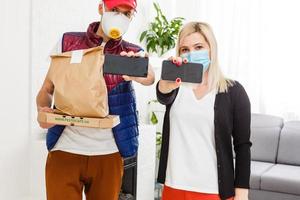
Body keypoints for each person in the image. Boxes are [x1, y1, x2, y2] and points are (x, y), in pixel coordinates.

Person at [36, 0, 155, 199]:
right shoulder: (68, 42)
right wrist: (42, 110)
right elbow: (47, 90)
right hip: (65, 149)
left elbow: (149, 77)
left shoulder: (132, 53)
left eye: (126, 14)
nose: (119, 17)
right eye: (114, 10)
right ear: (101, 8)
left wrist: (138, 72)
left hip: (108, 154)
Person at [156, 22, 251, 200]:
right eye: (184, 49)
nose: (191, 53)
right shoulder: (175, 86)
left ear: (211, 49)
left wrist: (242, 194)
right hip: (173, 187)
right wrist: (165, 81)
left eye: (198, 47)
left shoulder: (233, 91)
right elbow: (162, 94)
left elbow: (243, 146)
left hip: (213, 191)